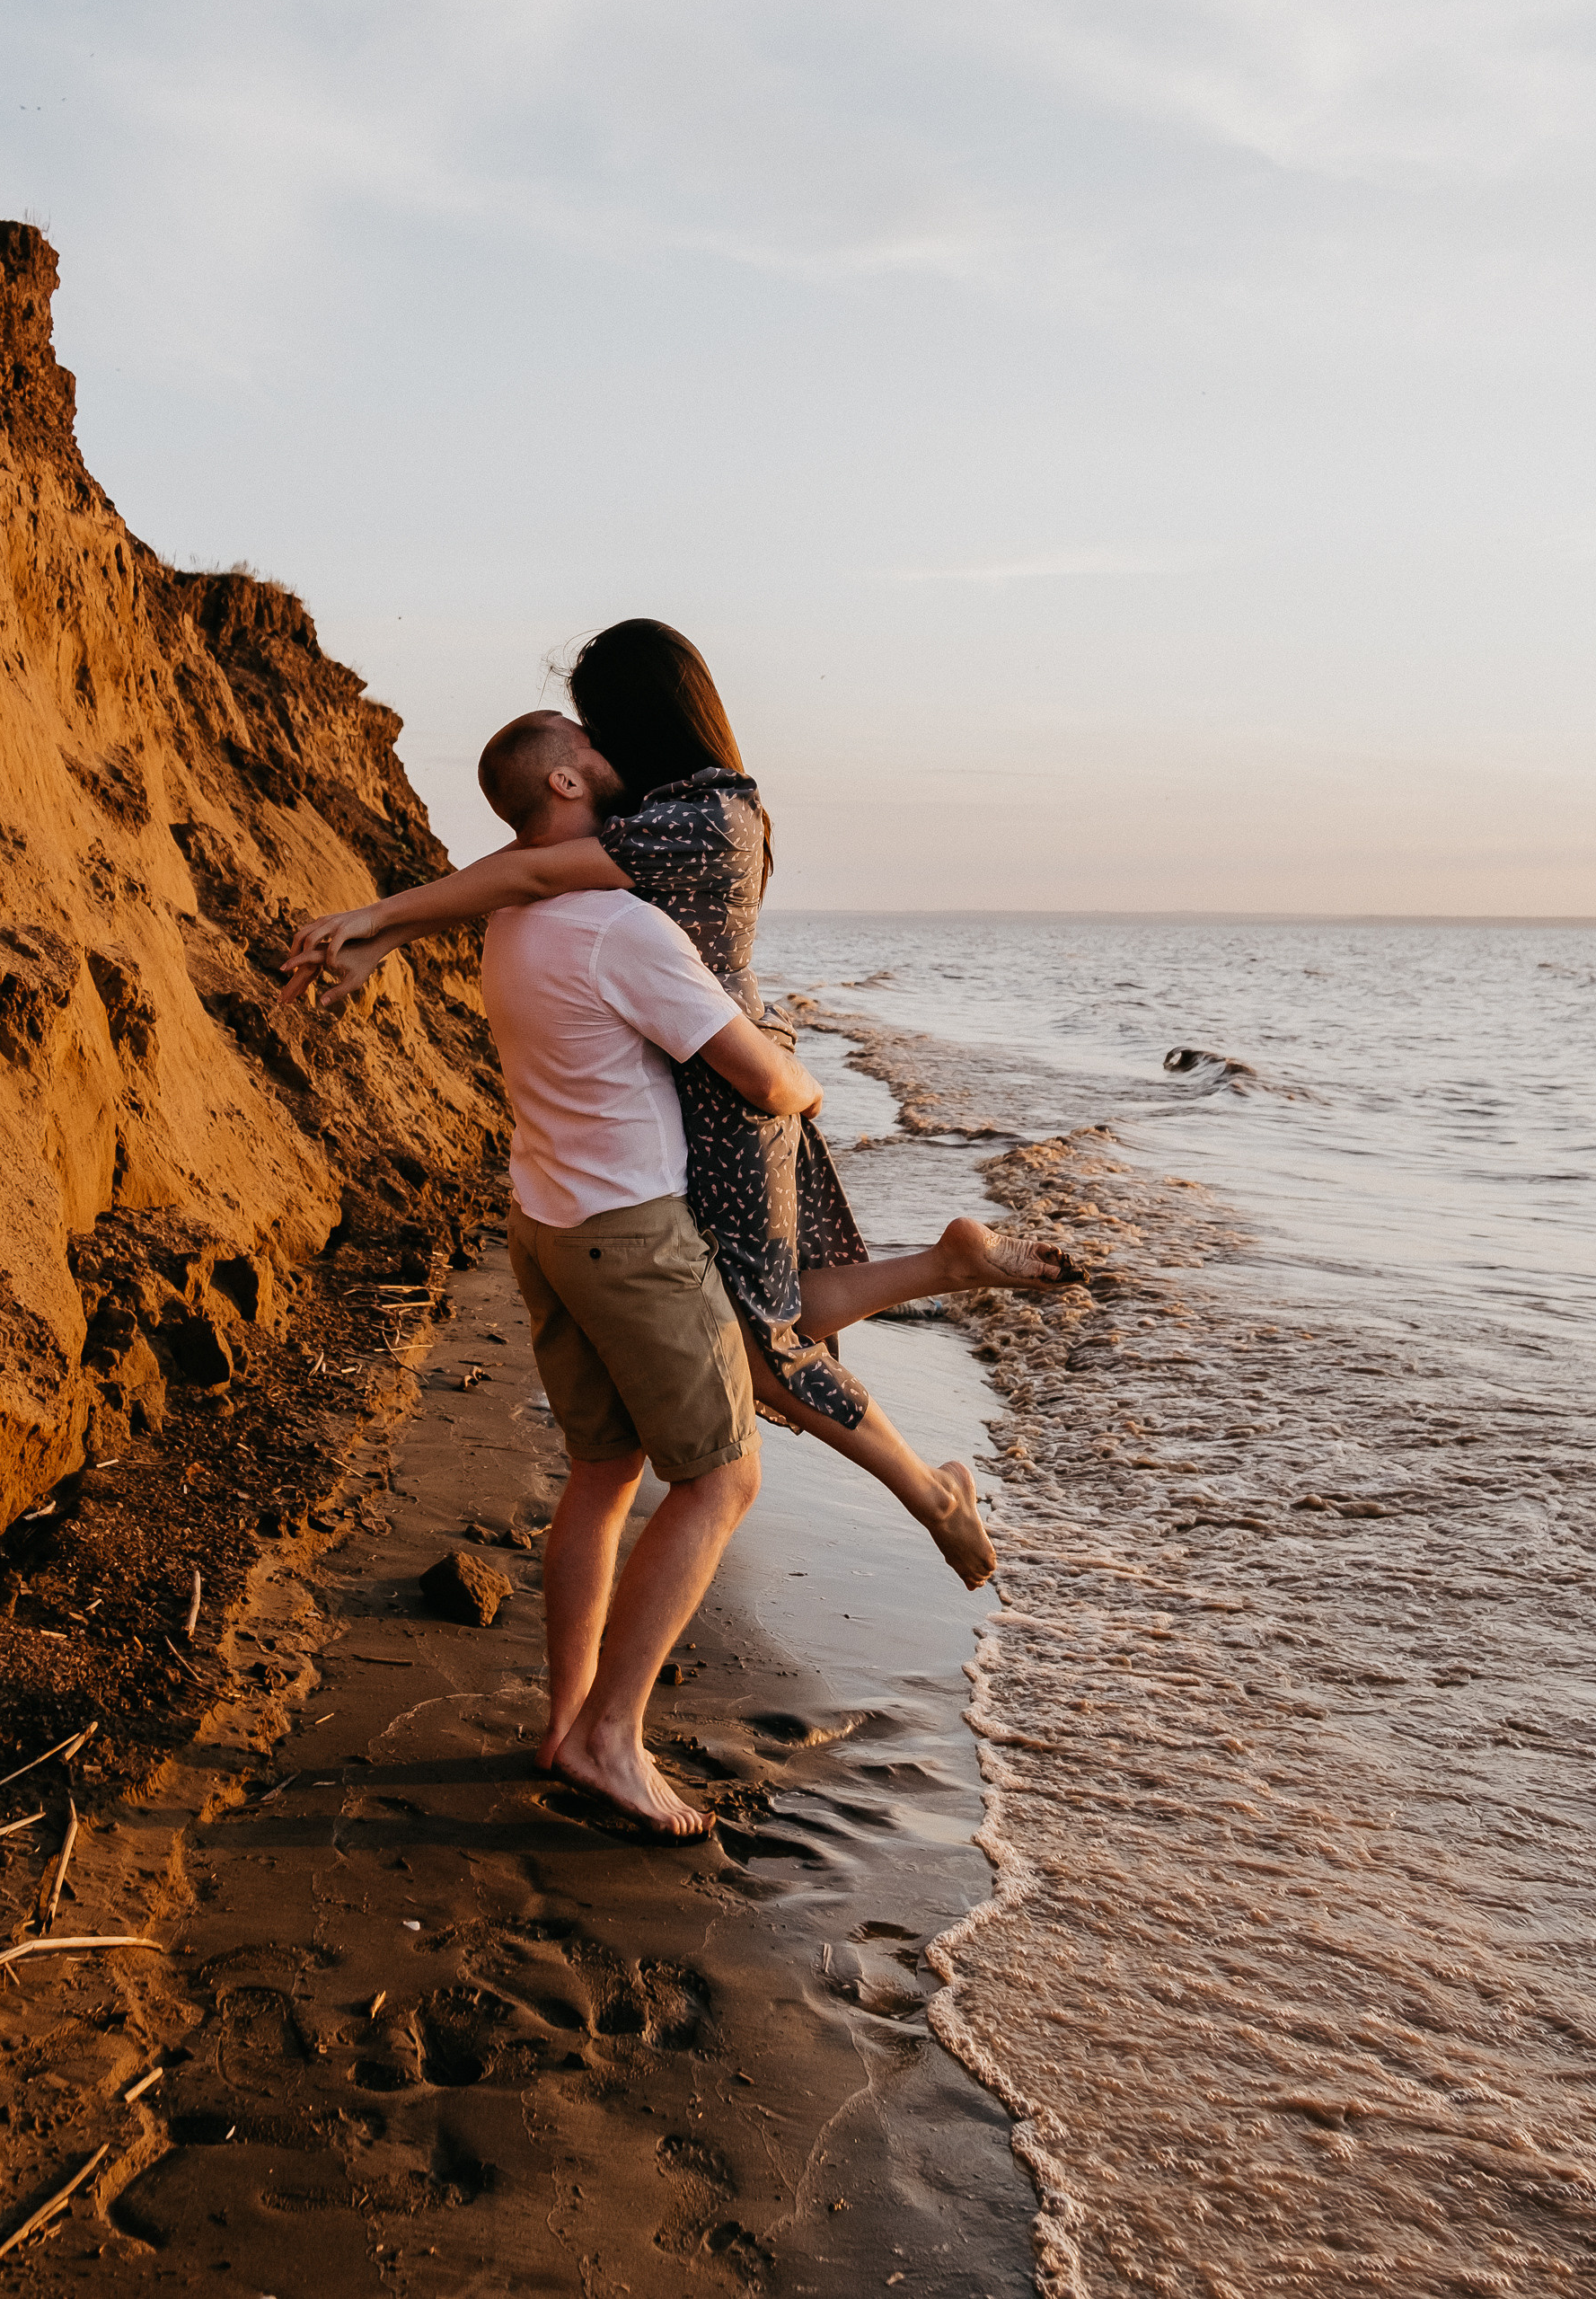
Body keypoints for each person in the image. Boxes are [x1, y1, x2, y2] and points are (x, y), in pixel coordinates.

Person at [283, 622, 1057, 1584]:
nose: (592, 744)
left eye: (597, 724)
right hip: (700, 1086)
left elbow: (527, 869)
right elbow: (531, 859)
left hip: (726, 1094)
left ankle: (932, 1491)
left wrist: (381, 918)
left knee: (765, 1343)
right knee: (762, 1312)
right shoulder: (675, 810)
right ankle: (948, 1271)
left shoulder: (703, 819)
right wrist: (388, 933)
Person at [424, 752, 808, 1836]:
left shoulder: (513, 920)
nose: (611, 760)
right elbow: (763, 1078)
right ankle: (608, 1737)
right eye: (590, 751)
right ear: (559, 778)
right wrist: (805, 1073)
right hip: (628, 1231)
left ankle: (567, 1725)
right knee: (721, 1478)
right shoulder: (618, 925)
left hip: (543, 1221)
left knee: (601, 1471)